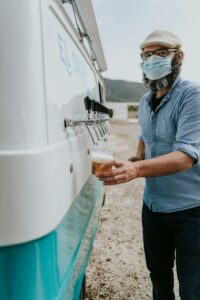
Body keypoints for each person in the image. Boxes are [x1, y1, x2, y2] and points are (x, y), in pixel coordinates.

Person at [96, 29, 200, 300]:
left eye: (162, 53)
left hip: (191, 210)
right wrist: (136, 158)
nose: (153, 59)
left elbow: (186, 156)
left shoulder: (193, 96)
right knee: (159, 276)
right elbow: (145, 133)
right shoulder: (144, 101)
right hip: (153, 207)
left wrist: (137, 170)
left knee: (193, 286)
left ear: (179, 57)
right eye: (148, 54)